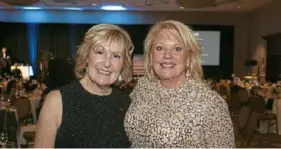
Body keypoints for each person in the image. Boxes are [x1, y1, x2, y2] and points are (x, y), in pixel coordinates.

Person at [124, 20, 235, 148]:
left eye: (177, 49)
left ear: (188, 58)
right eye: (160, 48)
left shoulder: (210, 103)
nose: (167, 55)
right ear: (150, 56)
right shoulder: (143, 87)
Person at [34, 24, 134, 148]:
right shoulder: (57, 100)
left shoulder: (127, 104)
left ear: (123, 64)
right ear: (86, 56)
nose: (107, 63)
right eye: (100, 52)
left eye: (116, 56)